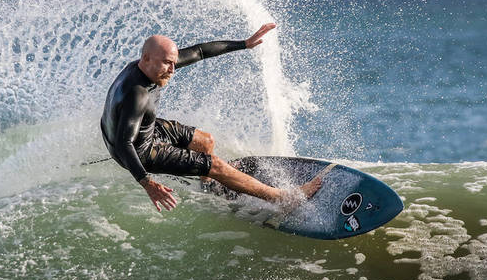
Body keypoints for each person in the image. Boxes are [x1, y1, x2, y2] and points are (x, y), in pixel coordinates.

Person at [100, 23, 324, 211]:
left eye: (173, 63)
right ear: (147, 58)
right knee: (215, 164)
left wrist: (244, 44)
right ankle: (283, 199)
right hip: (138, 150)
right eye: (167, 63)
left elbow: (200, 52)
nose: (172, 70)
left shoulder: (146, 67)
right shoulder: (137, 94)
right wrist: (147, 183)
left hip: (139, 128)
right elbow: (124, 143)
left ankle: (208, 189)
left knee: (205, 142)